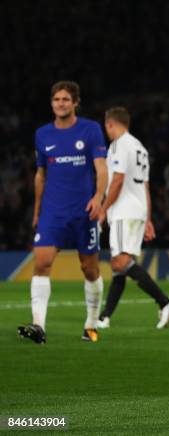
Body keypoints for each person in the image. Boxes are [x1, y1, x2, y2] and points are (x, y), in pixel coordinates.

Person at [18, 81, 108, 343]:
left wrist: (98, 197)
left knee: (89, 268)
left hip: (83, 212)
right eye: (56, 99)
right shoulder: (42, 135)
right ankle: (38, 326)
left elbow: (101, 169)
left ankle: (91, 325)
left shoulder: (90, 130)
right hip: (53, 213)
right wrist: (37, 211)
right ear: (51, 103)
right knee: (42, 263)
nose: (60, 103)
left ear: (75, 102)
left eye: (66, 99)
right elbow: (40, 175)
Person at [97, 107, 169, 329]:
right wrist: (148, 218)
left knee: (121, 262)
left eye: (106, 126)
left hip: (124, 210)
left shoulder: (119, 145)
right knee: (119, 266)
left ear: (110, 124)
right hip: (137, 209)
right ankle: (105, 317)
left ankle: (165, 302)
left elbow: (117, 181)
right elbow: (145, 186)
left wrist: (103, 208)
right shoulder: (139, 147)